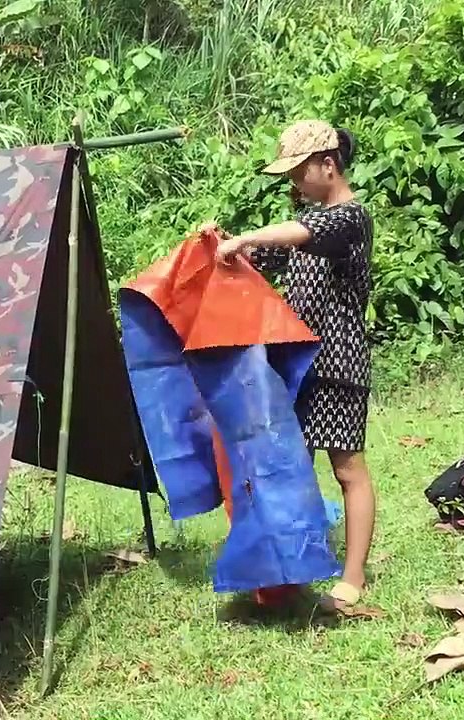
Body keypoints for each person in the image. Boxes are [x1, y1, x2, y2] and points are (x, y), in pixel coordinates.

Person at [203, 118, 377, 613]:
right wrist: (231, 244)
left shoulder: (348, 218)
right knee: (288, 466)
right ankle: (290, 568)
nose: (295, 184)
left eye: (300, 172)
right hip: (296, 366)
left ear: (328, 164)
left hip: (339, 362)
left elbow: (301, 234)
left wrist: (249, 239)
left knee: (347, 470)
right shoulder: (308, 224)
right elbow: (265, 258)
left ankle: (353, 578)